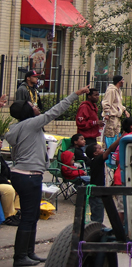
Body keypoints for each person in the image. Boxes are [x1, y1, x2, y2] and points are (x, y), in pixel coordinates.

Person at [6, 86, 89, 267]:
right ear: (27, 111)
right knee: (28, 217)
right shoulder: (31, 123)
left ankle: (29, 253)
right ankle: (20, 257)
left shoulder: (19, 127)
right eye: (32, 105)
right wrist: (76, 94)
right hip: (29, 176)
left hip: (23, 174)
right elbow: (56, 111)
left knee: (33, 214)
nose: (36, 106)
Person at [84, 137, 121, 224]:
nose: (103, 149)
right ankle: (95, 230)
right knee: (97, 216)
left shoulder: (95, 161)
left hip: (99, 191)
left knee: (100, 212)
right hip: (97, 192)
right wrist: (120, 138)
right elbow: (111, 148)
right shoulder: (97, 160)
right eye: (100, 148)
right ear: (95, 153)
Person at [102, 75, 128, 143]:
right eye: (123, 80)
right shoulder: (111, 91)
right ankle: (108, 149)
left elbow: (118, 104)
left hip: (117, 117)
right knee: (110, 134)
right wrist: (107, 114)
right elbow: (106, 102)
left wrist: (124, 110)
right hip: (111, 117)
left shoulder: (118, 91)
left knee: (117, 134)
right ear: (119, 81)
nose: (123, 81)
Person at [0, 156, 20, 226]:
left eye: (1, 143)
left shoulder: (0, 157)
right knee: (9, 190)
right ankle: (8, 216)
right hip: (1, 183)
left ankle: (16, 212)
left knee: (21, 185)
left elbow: (7, 172)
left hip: (3, 181)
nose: (1, 145)